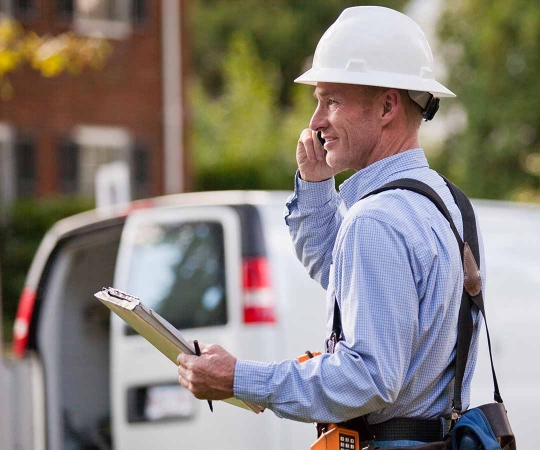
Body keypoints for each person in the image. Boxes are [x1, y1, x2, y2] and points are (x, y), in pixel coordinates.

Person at [176, 6, 484, 448]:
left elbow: (368, 379)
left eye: (332, 101)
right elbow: (344, 274)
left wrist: (239, 377)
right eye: (317, 101)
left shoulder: (376, 220)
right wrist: (318, 186)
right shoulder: (452, 206)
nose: (316, 121)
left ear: (387, 106)